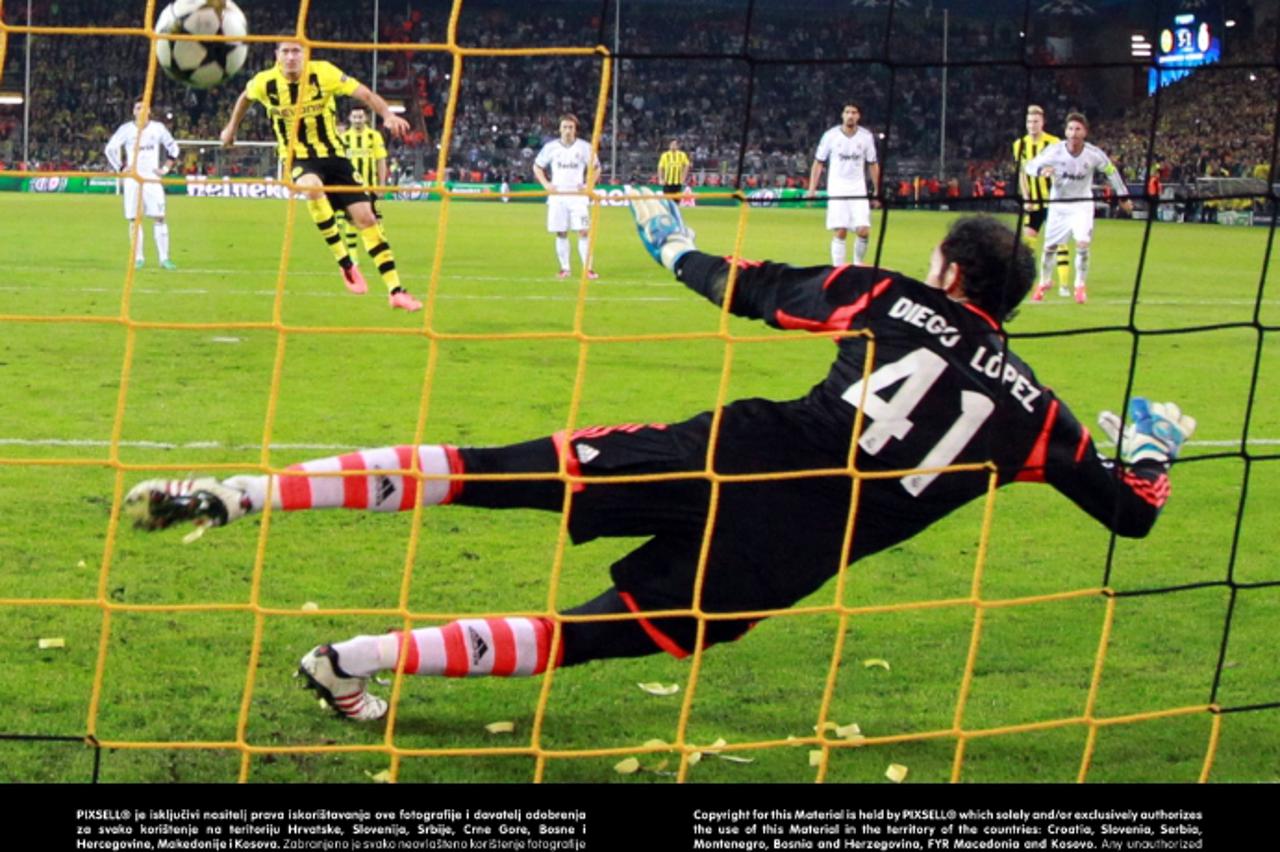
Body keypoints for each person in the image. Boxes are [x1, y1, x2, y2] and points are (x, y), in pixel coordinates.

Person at [122, 194, 1195, 722]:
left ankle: (236, 493)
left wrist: (674, 244)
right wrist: (1143, 451)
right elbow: (1133, 511)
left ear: (952, 274)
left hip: (735, 456)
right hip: (792, 552)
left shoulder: (896, 295)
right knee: (577, 638)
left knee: (490, 470)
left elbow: (757, 290)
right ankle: (352, 662)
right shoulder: (1042, 419)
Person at [219, 42, 422, 312]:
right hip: (298, 157)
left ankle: (396, 291)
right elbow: (244, 97)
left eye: (297, 51)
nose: (291, 57)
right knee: (312, 188)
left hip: (336, 159)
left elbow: (364, 93)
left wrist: (386, 114)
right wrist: (231, 128)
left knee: (367, 219)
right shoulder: (264, 82)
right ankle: (345, 263)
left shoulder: (324, 73)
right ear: (276, 56)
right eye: (286, 52)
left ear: (306, 55)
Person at [1024, 113, 1134, 304]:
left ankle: (1080, 285)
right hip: (1058, 206)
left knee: (1082, 244)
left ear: (1085, 132)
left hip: (1082, 205)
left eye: (1078, 129)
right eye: (1070, 129)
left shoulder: (1093, 154)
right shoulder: (1055, 151)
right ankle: (1044, 282)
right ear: (1066, 132)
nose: (1073, 133)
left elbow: (1111, 171)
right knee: (1049, 247)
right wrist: (1042, 171)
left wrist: (1123, 196)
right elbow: (1030, 166)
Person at [104, 100, 180, 270]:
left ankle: (164, 259)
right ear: (133, 111)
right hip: (133, 179)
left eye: (144, 107)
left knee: (159, 217)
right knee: (134, 219)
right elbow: (110, 149)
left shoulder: (158, 128)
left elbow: (174, 148)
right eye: (138, 107)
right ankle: (138, 258)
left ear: (149, 111)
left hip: (152, 179)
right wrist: (122, 167)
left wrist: (165, 168)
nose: (141, 110)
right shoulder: (126, 130)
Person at [806, 103, 880, 267]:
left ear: (858, 116)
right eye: (847, 112)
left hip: (858, 188)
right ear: (842, 115)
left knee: (863, 230)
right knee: (840, 231)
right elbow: (818, 162)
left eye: (854, 112)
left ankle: (858, 265)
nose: (850, 115)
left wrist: (877, 189)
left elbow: (872, 164)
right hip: (837, 188)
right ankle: (837, 269)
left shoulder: (866, 137)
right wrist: (812, 188)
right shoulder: (830, 136)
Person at [1013, 106, 1071, 300]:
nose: (1032, 125)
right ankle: (1032, 279)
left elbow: (1062, 169)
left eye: (1036, 122)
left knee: (1060, 242)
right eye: (1029, 122)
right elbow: (1022, 173)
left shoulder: (1054, 143)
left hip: (1054, 202)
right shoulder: (1019, 144)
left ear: (1042, 123)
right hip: (1034, 203)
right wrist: (1026, 197)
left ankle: (1064, 285)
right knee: (1027, 243)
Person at [533, 114, 600, 279]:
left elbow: (597, 168)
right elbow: (537, 167)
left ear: (575, 129)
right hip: (558, 196)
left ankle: (588, 269)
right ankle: (565, 268)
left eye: (571, 127)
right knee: (561, 232)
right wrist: (547, 185)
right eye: (565, 127)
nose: (568, 130)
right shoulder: (550, 147)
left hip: (578, 196)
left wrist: (588, 185)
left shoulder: (584, 147)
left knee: (583, 231)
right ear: (559, 129)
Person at [335, 107, 390, 268]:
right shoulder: (343, 138)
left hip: (370, 186)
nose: (358, 119)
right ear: (350, 119)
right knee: (351, 222)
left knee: (376, 221)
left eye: (360, 116)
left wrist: (382, 184)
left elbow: (381, 161)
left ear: (366, 118)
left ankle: (382, 254)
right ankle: (353, 257)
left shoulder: (374, 136)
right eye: (355, 116)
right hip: (350, 186)